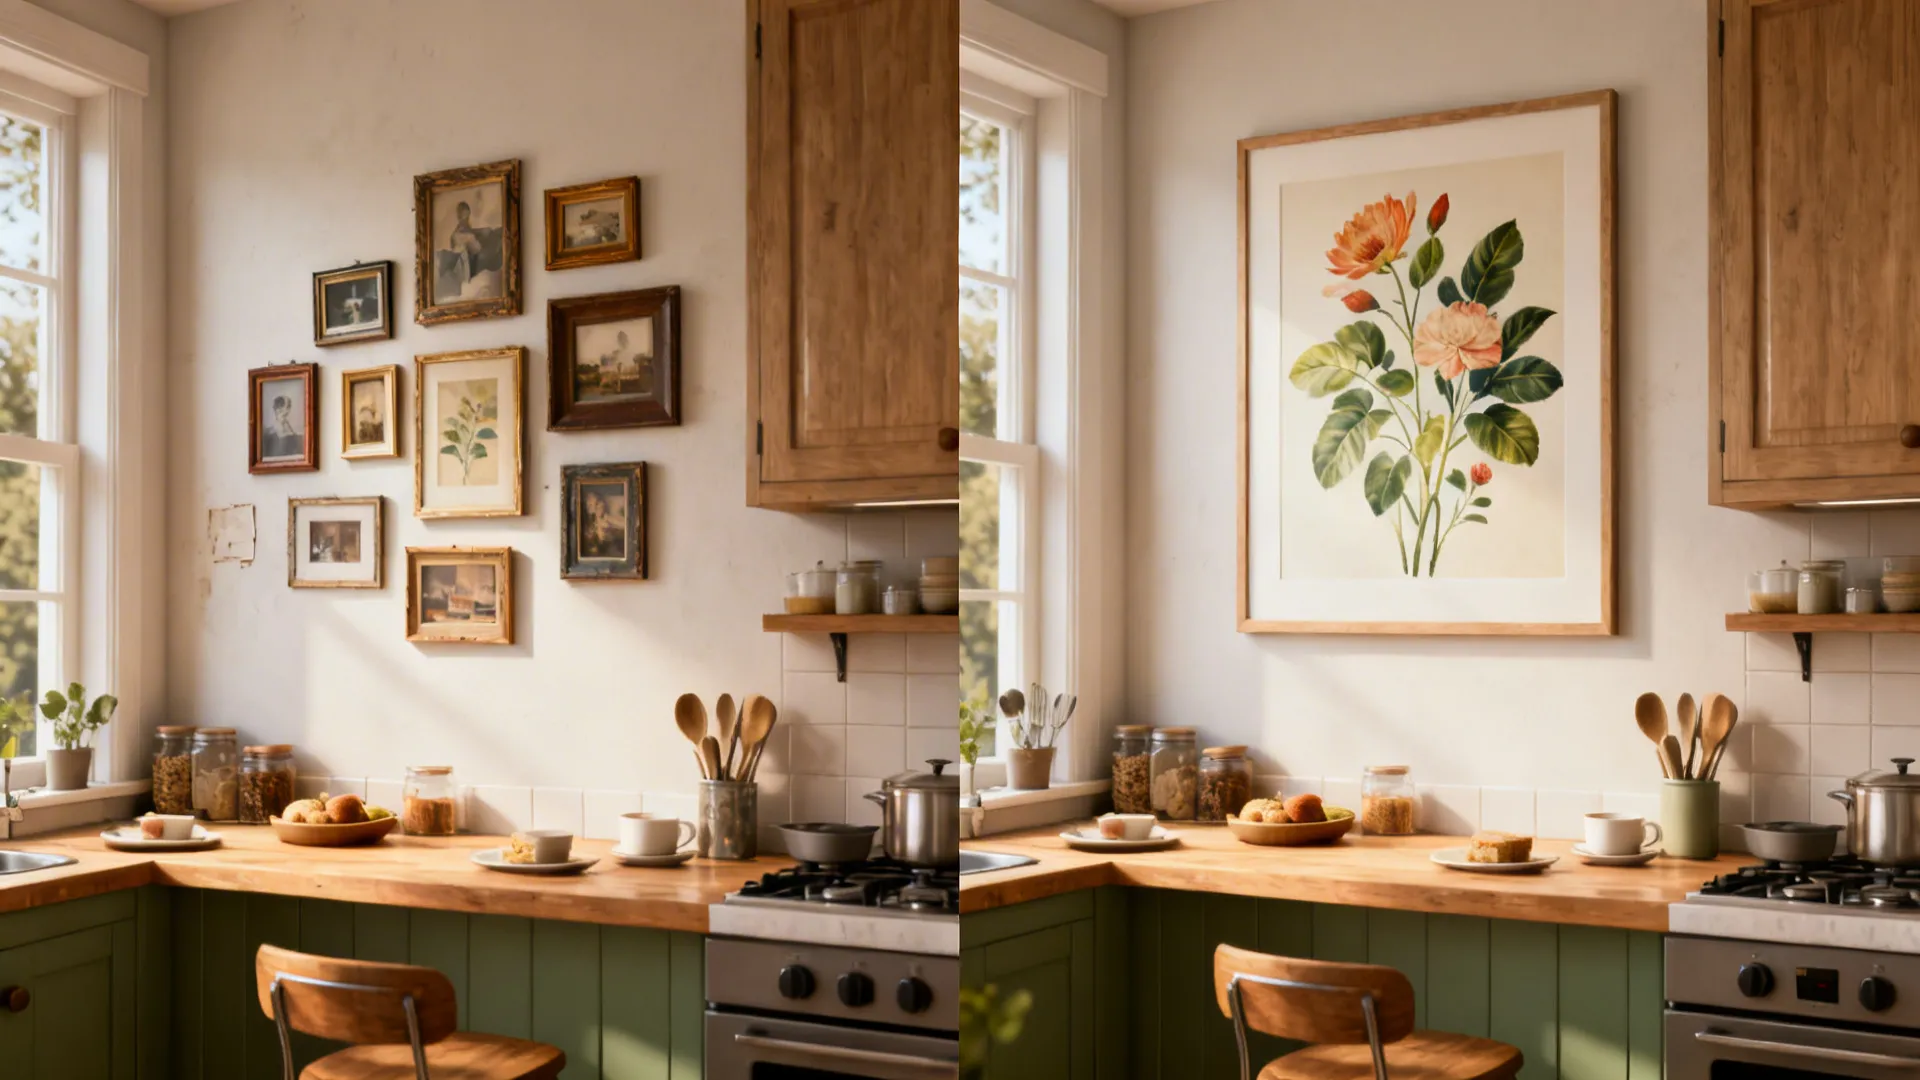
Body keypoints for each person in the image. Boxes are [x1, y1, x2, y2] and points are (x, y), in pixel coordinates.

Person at [262, 393, 302, 459]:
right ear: (279, 409)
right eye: (288, 406)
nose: (289, 409)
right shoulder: (270, 428)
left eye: (289, 406)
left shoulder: (287, 423)